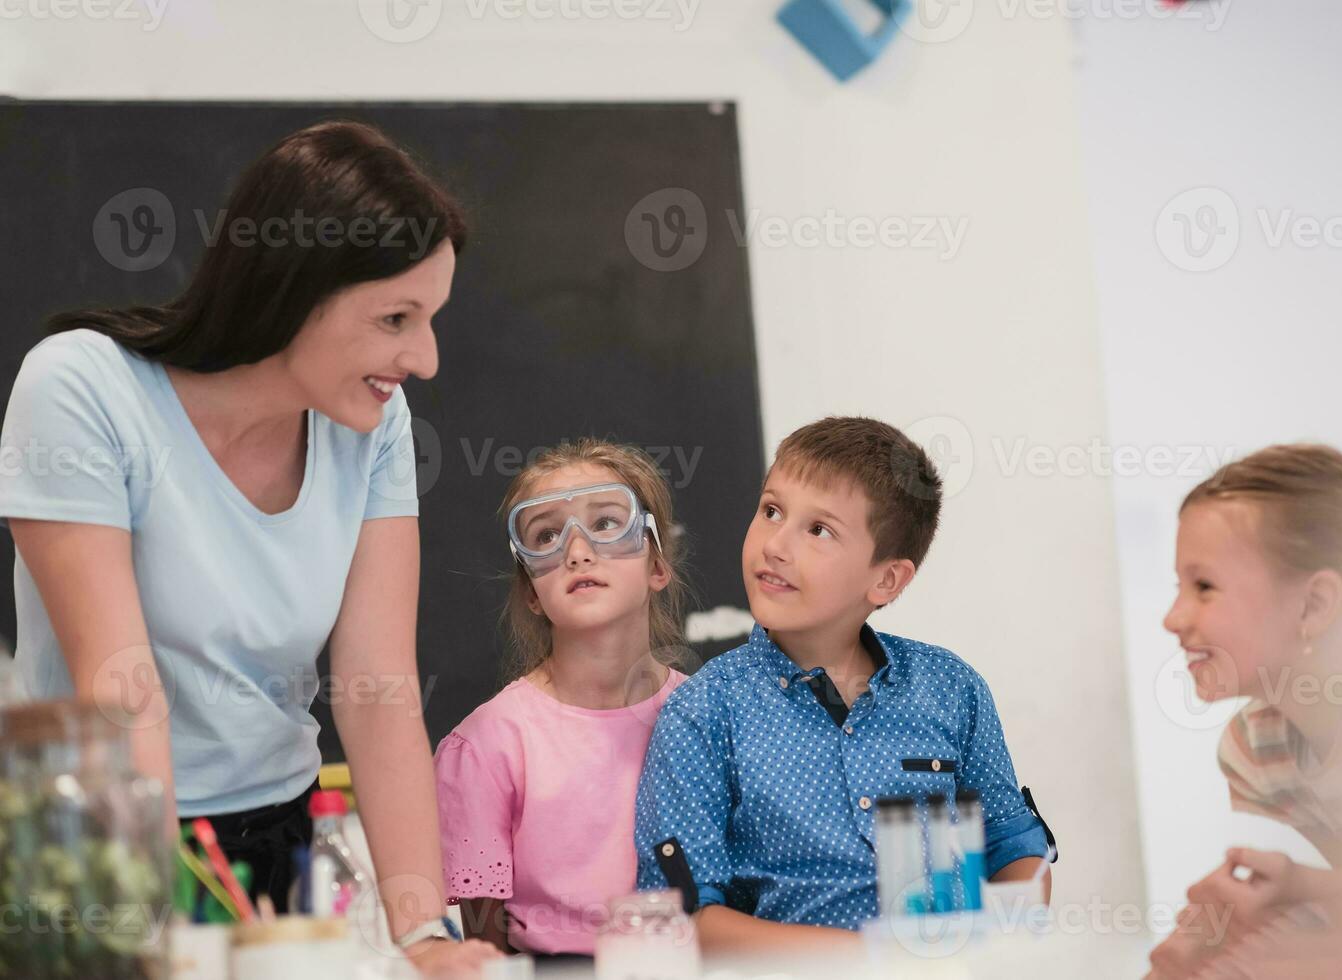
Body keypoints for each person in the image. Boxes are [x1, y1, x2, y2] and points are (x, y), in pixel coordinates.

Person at [0, 120, 496, 974]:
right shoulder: (82, 389)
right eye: (395, 318)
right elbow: (126, 699)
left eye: (431, 319)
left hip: (278, 844)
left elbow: (377, 695)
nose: (424, 357)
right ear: (294, 289)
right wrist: (151, 940)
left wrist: (422, 933)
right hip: (100, 845)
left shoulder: (368, 424)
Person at [633, 416, 1056, 952]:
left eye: (819, 530)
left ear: (886, 580)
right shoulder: (703, 712)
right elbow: (683, 917)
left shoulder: (952, 688)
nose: (775, 545)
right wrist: (873, 961)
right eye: (771, 511)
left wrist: (1005, 949)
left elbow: (1017, 847)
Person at [1148, 444, 1342, 979]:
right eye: (1178, 586)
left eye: (1204, 587)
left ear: (1314, 606)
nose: (1173, 618)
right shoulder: (1253, 747)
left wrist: (1300, 888)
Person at [434, 439, 691, 957]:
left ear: (657, 566)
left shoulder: (702, 716)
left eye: (605, 523)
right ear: (532, 590)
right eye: (547, 534)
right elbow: (487, 949)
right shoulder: (486, 745)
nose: (577, 551)